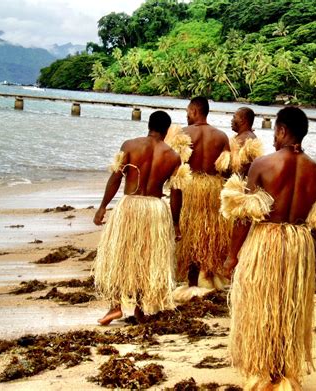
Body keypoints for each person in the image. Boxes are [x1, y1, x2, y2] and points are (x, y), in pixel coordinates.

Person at [220, 107, 316, 389]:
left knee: (262, 307)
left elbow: (243, 218)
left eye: (275, 131)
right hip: (299, 247)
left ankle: (265, 372)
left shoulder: (262, 164)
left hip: (266, 242)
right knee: (288, 309)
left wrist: (232, 255)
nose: (273, 138)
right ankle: (283, 371)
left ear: (283, 130)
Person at [92, 110, 189, 325]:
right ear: (167, 130)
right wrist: (175, 223)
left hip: (130, 206)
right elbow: (176, 193)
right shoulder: (173, 157)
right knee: (147, 258)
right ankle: (139, 308)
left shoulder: (129, 146)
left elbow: (116, 178)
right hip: (155, 209)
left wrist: (102, 207)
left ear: (149, 125)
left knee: (120, 255)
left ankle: (115, 306)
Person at [176, 96, 232, 291]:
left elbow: (177, 166)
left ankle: (192, 282)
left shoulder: (183, 134)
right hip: (213, 188)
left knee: (191, 232)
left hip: (191, 188)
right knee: (210, 233)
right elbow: (226, 171)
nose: (186, 115)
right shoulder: (221, 136)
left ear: (194, 111)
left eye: (187, 111)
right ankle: (207, 275)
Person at [229, 107, 263, 176]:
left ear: (242, 120)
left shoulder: (245, 139)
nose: (232, 120)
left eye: (234, 117)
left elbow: (242, 169)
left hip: (238, 183)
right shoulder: (245, 136)